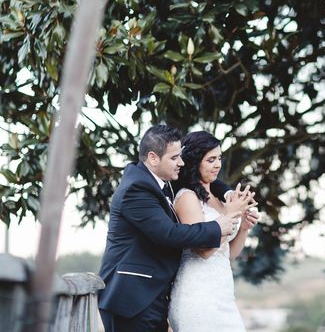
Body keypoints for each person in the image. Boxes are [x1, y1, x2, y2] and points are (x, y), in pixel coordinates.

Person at [98, 124, 252, 332]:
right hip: (132, 298)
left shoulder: (163, 182)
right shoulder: (136, 189)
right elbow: (168, 233)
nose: (180, 162)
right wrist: (218, 225)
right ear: (153, 158)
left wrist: (229, 195)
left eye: (180, 156)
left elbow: (205, 181)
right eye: (174, 158)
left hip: (155, 297)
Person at [168, 130, 260, 332]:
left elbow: (226, 255)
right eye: (210, 160)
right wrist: (231, 214)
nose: (217, 165)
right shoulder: (186, 198)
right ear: (195, 162)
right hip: (197, 297)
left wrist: (243, 227)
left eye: (219, 158)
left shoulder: (220, 200)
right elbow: (204, 251)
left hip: (223, 296)